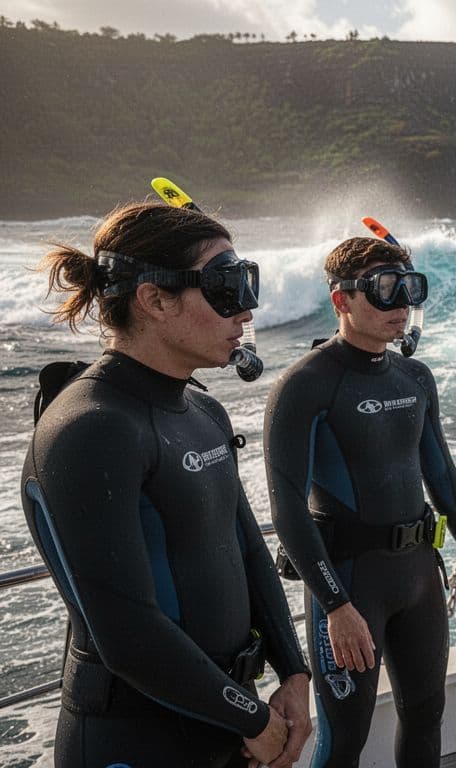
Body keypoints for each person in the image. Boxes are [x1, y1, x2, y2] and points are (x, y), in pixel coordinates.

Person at [20, 201, 311, 767]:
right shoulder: (91, 428)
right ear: (154, 299)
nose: (245, 314)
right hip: (137, 740)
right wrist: (252, 719)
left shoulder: (203, 411)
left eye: (245, 283)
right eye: (226, 288)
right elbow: (126, 632)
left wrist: (294, 673)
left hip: (228, 725)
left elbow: (249, 550)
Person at [264, 237, 456, 767]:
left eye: (409, 290)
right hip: (348, 587)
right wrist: (335, 606)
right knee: (345, 738)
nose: (402, 305)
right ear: (341, 300)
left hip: (418, 578)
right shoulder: (304, 386)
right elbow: (288, 512)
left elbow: (441, 472)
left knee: (425, 718)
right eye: (385, 291)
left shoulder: (415, 376)